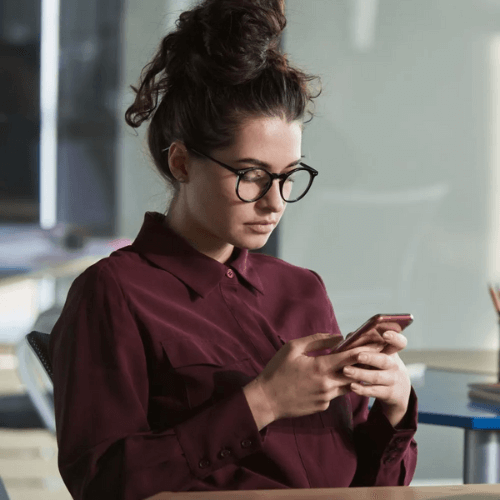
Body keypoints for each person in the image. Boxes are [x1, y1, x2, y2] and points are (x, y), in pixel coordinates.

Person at [49, 1, 418, 498]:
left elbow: (367, 486)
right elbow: (102, 483)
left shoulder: (303, 291)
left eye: (288, 177)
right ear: (181, 162)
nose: (275, 201)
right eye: (252, 175)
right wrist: (262, 401)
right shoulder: (113, 294)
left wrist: (394, 407)